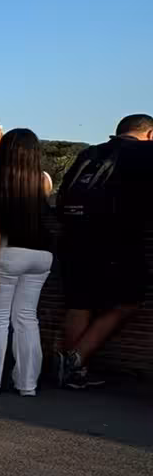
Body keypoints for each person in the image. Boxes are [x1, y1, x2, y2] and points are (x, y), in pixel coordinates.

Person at [54, 113, 153, 390]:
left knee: (79, 303)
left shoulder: (91, 152)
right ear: (149, 134)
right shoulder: (146, 152)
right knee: (129, 300)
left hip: (73, 236)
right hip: (118, 238)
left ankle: (72, 371)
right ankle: (75, 360)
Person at [0, 129, 55, 397]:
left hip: (8, 255)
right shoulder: (44, 181)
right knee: (27, 318)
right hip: (41, 257)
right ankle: (28, 383)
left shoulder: (0, 184)